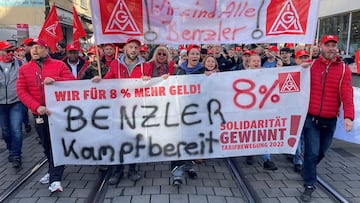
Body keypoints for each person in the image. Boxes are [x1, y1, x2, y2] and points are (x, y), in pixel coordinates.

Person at [16, 38, 75, 193]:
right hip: (40, 113)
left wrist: (55, 80)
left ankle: (55, 178)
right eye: (31, 48)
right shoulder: (24, 69)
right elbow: (21, 91)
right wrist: (37, 107)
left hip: (58, 113)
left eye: (38, 47)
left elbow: (72, 83)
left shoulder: (59, 65)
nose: (34, 50)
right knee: (46, 144)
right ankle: (52, 169)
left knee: (56, 144)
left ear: (46, 49)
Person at [300, 35, 354, 202]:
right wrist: (299, 68)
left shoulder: (344, 69)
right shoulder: (311, 65)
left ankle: (307, 169)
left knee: (321, 152)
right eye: (327, 45)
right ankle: (309, 184)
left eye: (333, 45)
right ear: (321, 47)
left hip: (330, 119)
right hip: (311, 119)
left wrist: (348, 117)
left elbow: (347, 94)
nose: (331, 48)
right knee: (312, 152)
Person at [92, 38, 152, 185]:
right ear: (125, 48)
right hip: (117, 109)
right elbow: (108, 82)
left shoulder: (146, 66)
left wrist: (149, 80)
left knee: (133, 140)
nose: (133, 50)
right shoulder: (115, 64)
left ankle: (132, 168)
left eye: (136, 48)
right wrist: (99, 81)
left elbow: (153, 87)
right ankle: (117, 170)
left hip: (136, 110)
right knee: (118, 140)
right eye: (131, 47)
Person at [172, 44, 205, 185]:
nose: (195, 56)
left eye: (197, 54)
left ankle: (190, 166)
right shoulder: (180, 70)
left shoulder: (204, 71)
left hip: (197, 111)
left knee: (192, 139)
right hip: (181, 111)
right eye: (192, 54)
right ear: (187, 56)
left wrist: (211, 77)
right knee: (179, 140)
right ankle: (177, 172)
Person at [245, 53, 278, 170]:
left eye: (258, 61)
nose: (256, 63)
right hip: (248, 109)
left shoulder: (266, 73)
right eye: (253, 61)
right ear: (248, 63)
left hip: (262, 108)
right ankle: (250, 153)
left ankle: (267, 159)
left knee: (264, 133)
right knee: (250, 132)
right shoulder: (242, 75)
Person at [0, 41, 26, 168]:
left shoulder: (20, 63)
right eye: (7, 51)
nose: (11, 53)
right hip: (1, 103)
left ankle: (16, 154)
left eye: (12, 51)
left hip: (16, 101)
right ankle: (10, 149)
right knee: (5, 131)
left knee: (16, 129)